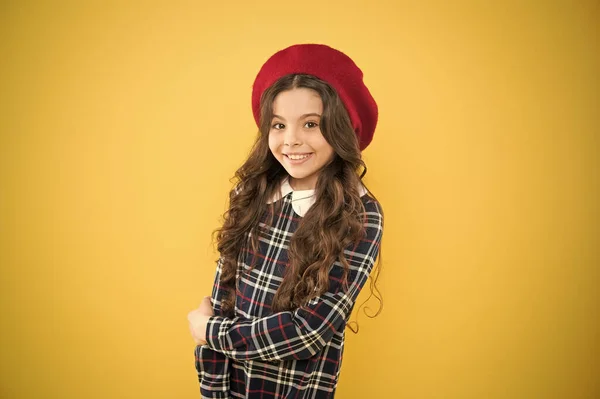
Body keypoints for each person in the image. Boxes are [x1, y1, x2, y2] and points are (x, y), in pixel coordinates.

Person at [187, 43, 384, 399]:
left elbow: (308, 331)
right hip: (226, 389)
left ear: (341, 128)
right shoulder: (252, 194)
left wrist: (210, 332)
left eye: (311, 124)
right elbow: (223, 300)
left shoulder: (359, 214)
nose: (291, 140)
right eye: (279, 125)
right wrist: (212, 387)